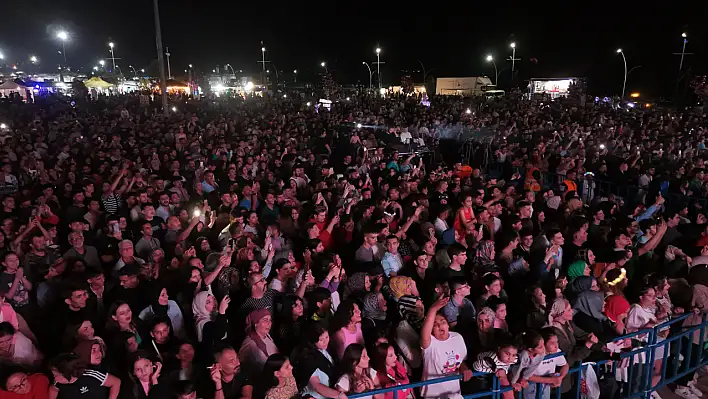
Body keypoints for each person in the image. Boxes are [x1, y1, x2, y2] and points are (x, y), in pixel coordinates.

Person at [419, 297, 473, 399]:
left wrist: (465, 369)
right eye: (435, 324)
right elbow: (425, 333)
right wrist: (433, 309)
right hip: (432, 395)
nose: (440, 325)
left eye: (443, 322)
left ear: (448, 325)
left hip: (453, 393)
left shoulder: (457, 337)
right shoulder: (429, 343)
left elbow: (461, 361)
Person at [48, 352, 121, 399]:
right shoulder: (57, 382)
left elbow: (116, 382)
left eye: (56, 375)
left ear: (68, 373)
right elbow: (53, 389)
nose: (54, 377)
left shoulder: (91, 375)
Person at [238, 309, 278, 376]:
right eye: (265, 320)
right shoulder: (250, 344)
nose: (269, 323)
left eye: (270, 320)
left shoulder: (267, 336)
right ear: (256, 323)